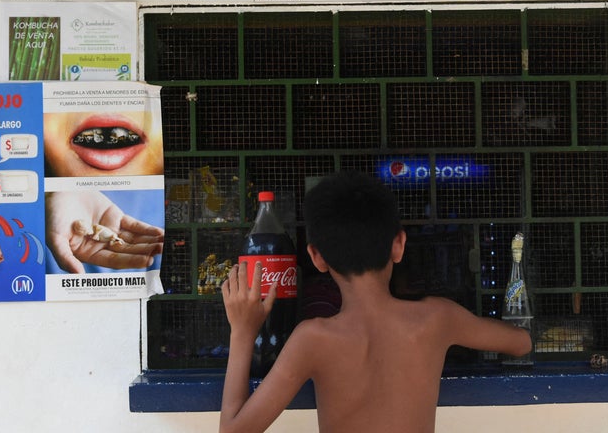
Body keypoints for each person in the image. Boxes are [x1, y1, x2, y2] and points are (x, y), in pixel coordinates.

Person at [220, 170, 531, 433]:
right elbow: (521, 343)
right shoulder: (437, 319)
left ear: (316, 257)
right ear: (399, 245)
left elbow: (233, 431)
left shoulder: (312, 339)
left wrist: (243, 333)